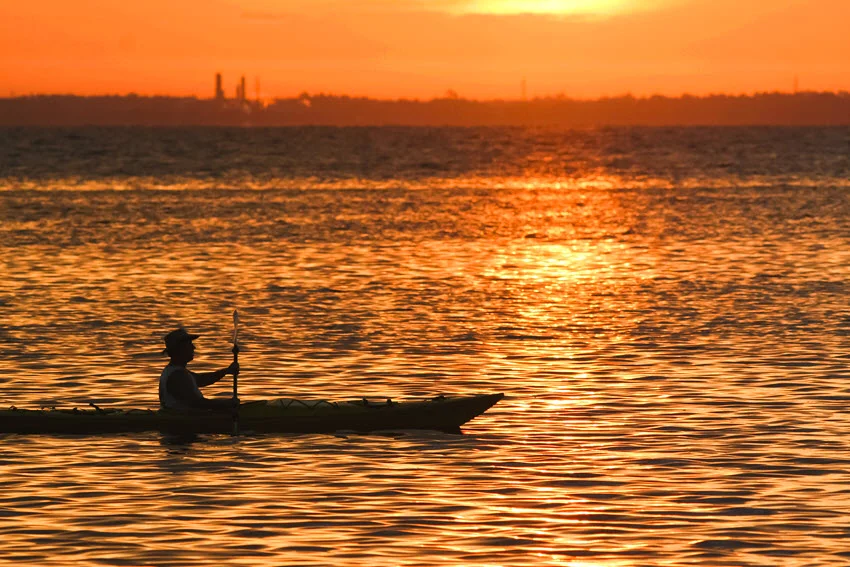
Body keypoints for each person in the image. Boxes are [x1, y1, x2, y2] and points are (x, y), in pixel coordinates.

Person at [159, 328, 239, 411]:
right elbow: (197, 403)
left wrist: (226, 371)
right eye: (189, 344)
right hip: (184, 420)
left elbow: (202, 379)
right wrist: (227, 404)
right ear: (180, 349)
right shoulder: (177, 376)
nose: (194, 347)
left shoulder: (178, 371)